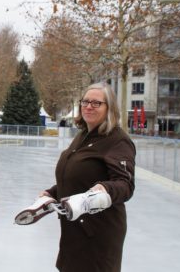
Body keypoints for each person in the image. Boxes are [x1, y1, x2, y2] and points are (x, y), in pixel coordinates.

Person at [39, 82, 135, 272]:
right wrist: (52, 193)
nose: (89, 106)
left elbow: (125, 184)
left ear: (110, 108)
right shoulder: (83, 135)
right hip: (73, 228)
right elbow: (78, 178)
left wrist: (106, 189)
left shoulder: (117, 140)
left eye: (96, 103)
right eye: (85, 102)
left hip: (98, 232)